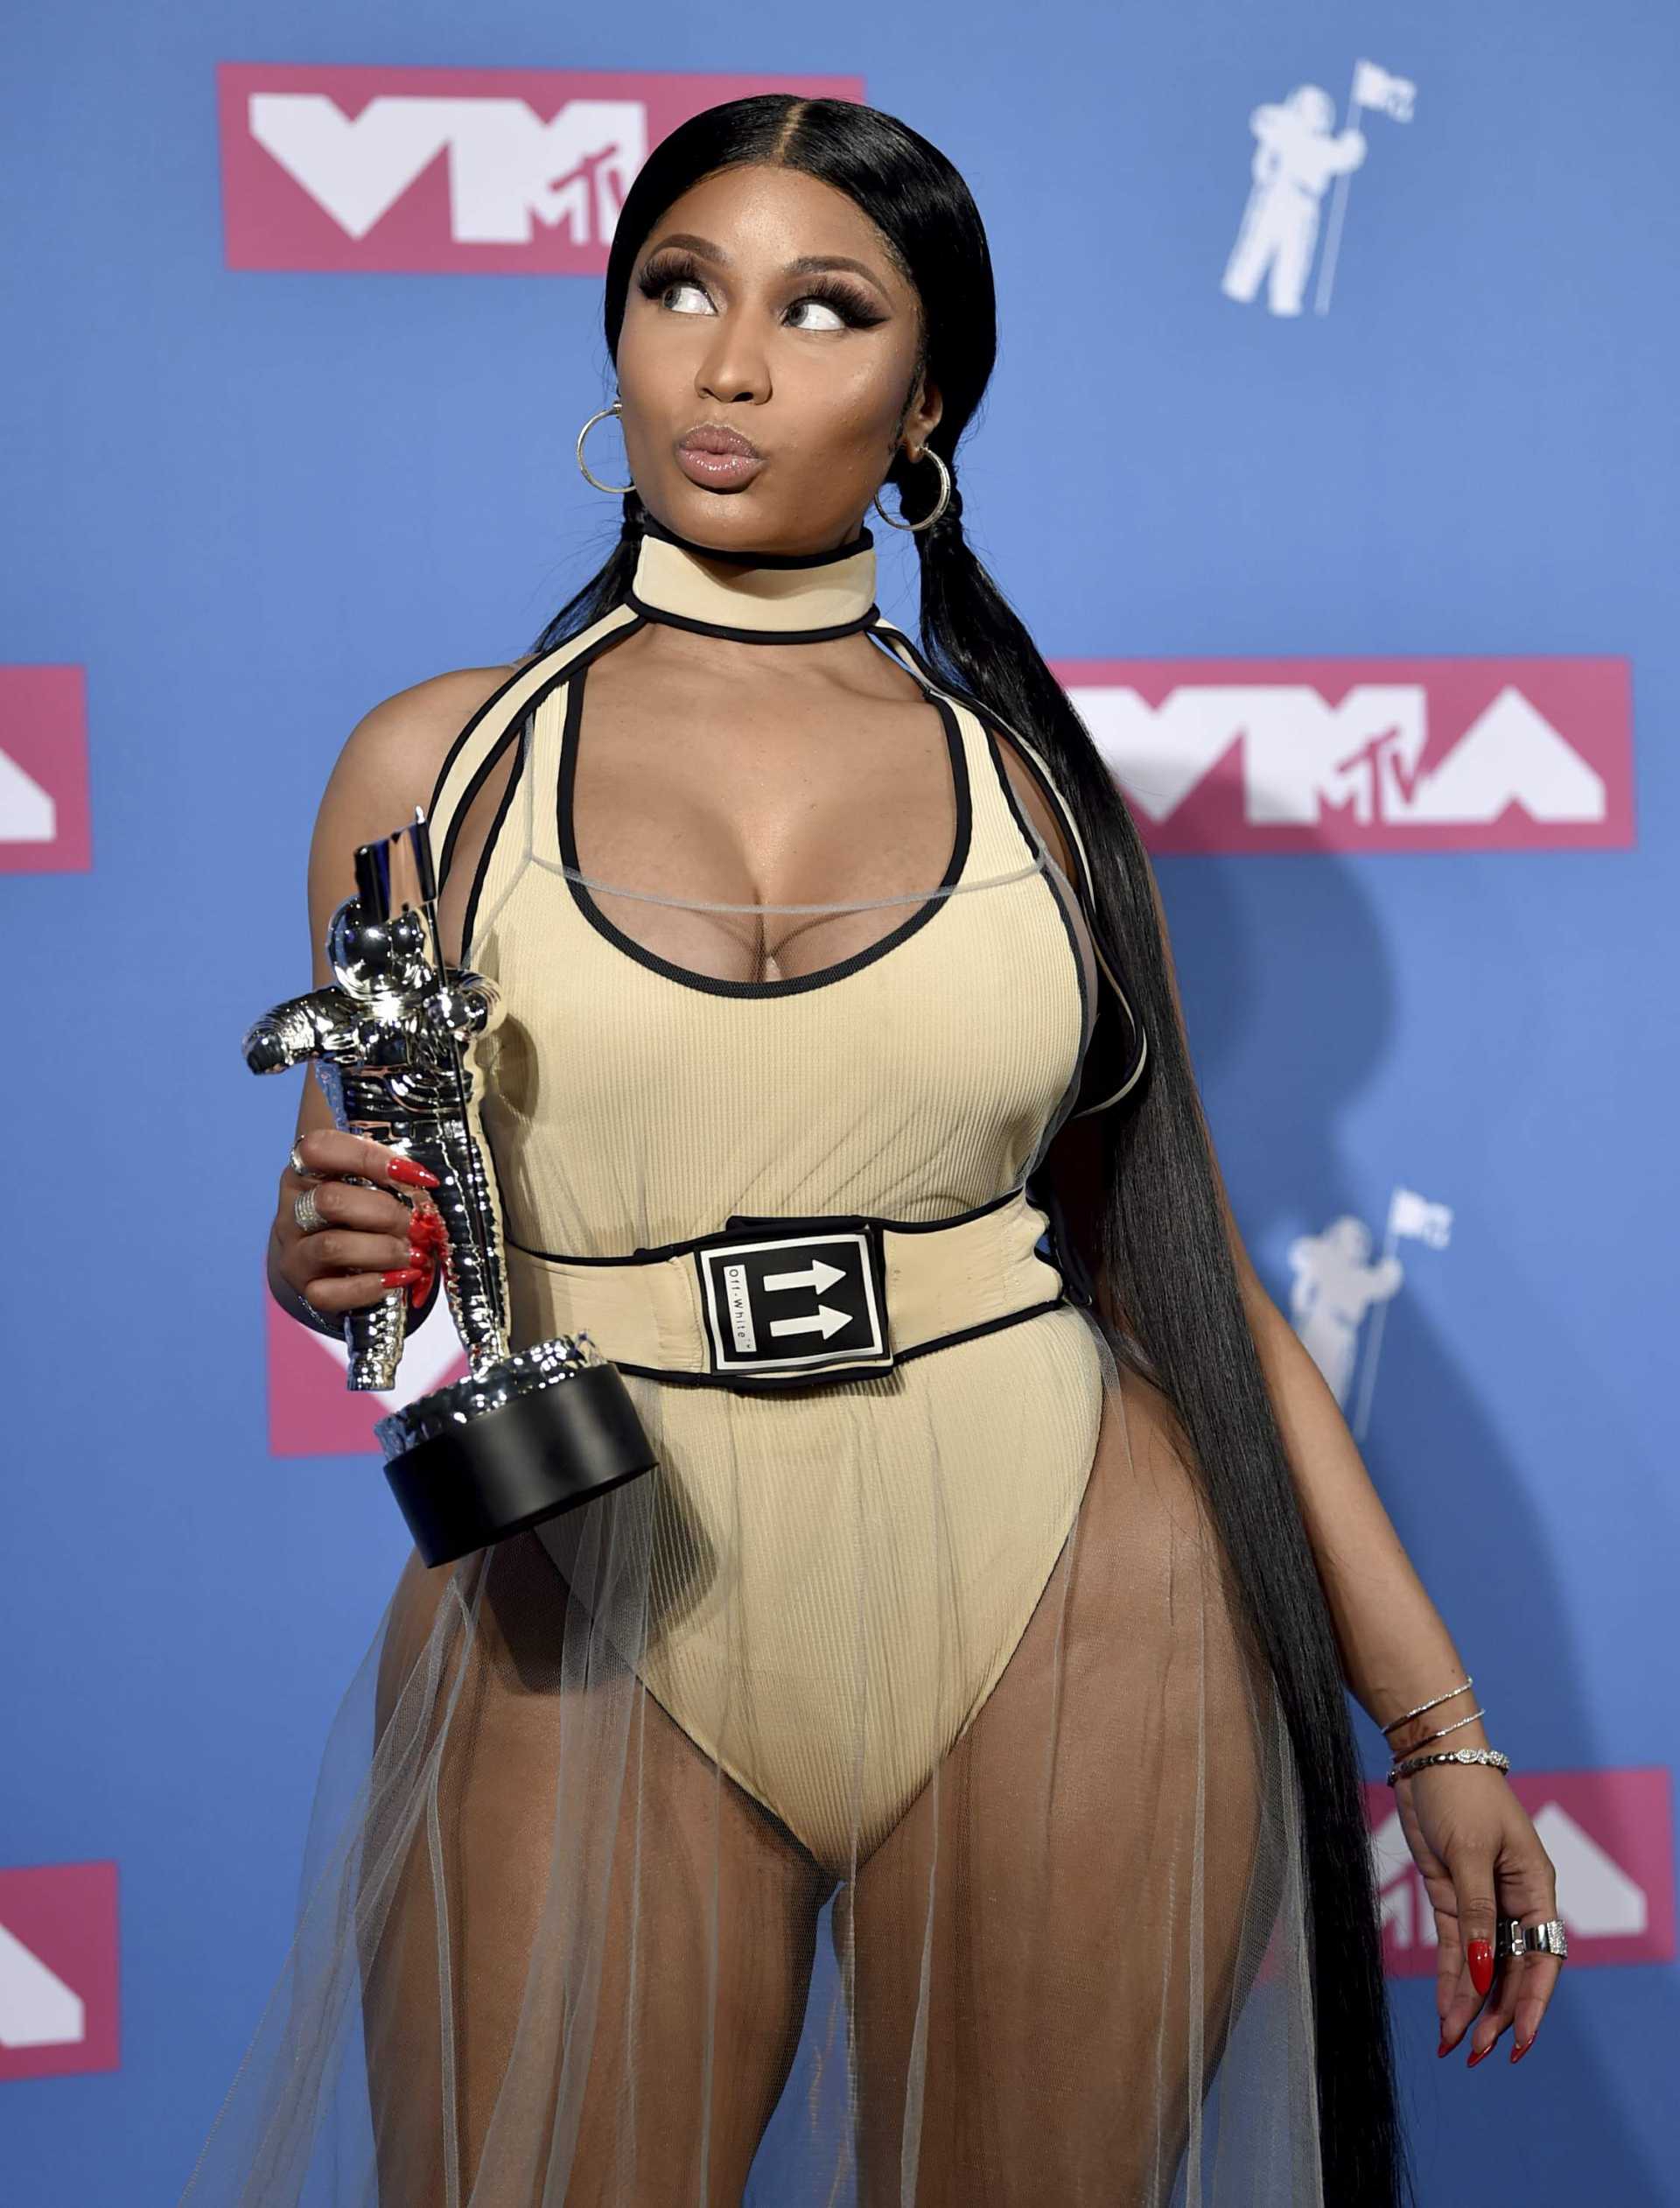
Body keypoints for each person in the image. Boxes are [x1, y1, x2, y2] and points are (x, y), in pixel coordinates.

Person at [179, 95, 1564, 2208]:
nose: (730, 366)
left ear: (927, 406)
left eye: (822, 310)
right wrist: (328, 1255)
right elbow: (393, 1265)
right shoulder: (435, 765)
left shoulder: (1037, 791)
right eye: (679, 289)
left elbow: (1185, 1271)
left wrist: (1440, 1727)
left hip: (1070, 1583)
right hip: (590, 1576)